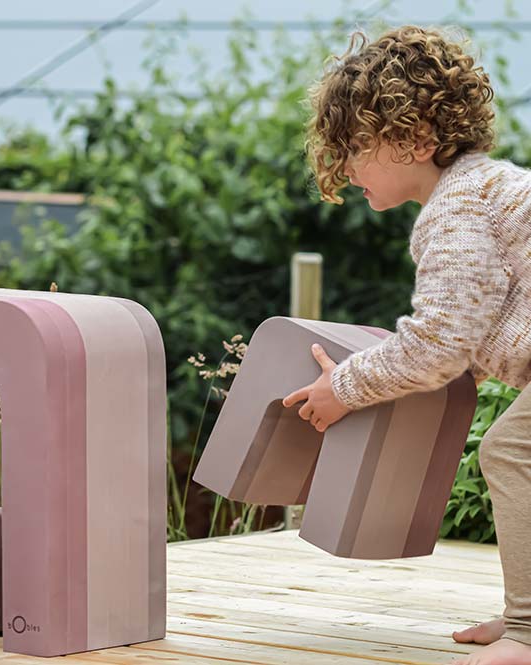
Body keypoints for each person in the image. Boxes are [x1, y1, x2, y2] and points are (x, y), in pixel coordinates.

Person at [282, 25, 531, 665]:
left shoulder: (458, 209)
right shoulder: (487, 190)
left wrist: (344, 388)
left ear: (416, 140)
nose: (344, 167)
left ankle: (529, 631)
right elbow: (472, 333)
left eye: (355, 146)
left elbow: (440, 342)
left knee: (511, 451)